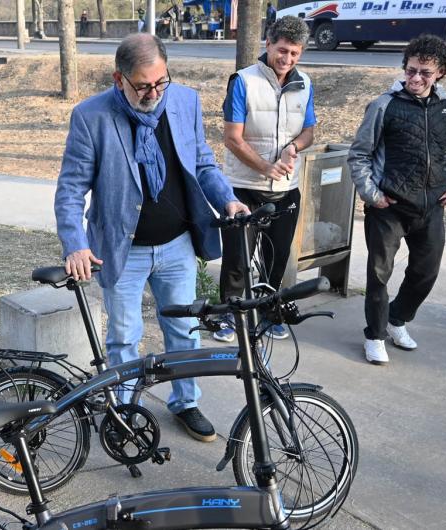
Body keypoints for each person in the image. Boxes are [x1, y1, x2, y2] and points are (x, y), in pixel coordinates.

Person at [54, 34, 248, 442]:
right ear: (119, 79)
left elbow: (202, 162)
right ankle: (127, 413)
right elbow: (71, 189)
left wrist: (227, 200)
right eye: (143, 85)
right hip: (121, 250)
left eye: (161, 82)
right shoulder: (91, 117)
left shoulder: (183, 101)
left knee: (184, 331)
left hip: (177, 244)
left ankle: (185, 402)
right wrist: (75, 243)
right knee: (125, 337)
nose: (154, 93)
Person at [348, 35, 446, 366]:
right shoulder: (384, 105)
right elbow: (359, 154)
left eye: (424, 73)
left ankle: (397, 319)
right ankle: (374, 335)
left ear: (440, 72)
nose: (415, 79)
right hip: (388, 207)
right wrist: (372, 195)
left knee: (425, 273)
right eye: (411, 70)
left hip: (431, 206)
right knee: (378, 275)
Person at [213, 16, 315, 343]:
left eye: (295, 54)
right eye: (282, 50)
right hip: (245, 188)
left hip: (286, 190)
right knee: (237, 261)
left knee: (277, 259)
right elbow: (232, 138)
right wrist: (265, 167)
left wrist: (292, 148)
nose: (287, 59)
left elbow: (309, 131)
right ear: (268, 44)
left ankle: (271, 313)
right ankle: (230, 315)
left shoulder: (305, 84)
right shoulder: (243, 81)